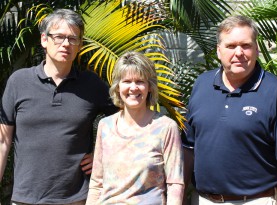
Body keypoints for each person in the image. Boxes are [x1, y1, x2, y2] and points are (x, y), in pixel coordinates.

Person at [0, 9, 118, 204]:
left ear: (80, 45)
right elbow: (3, 142)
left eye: (73, 39)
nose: (66, 44)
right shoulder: (19, 81)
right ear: (44, 40)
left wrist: (102, 154)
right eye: (59, 37)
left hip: (75, 199)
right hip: (25, 198)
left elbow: (127, 120)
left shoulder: (91, 85)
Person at [183, 15, 277, 205]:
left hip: (255, 201)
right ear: (219, 51)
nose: (239, 52)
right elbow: (188, 149)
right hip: (202, 200)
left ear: (256, 50)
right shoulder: (201, 85)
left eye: (245, 45)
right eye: (230, 46)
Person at [86, 51, 184, 204]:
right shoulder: (105, 126)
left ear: (149, 87)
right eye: (126, 81)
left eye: (140, 81)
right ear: (118, 86)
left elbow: (175, 183)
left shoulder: (166, 127)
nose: (133, 88)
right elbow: (97, 183)